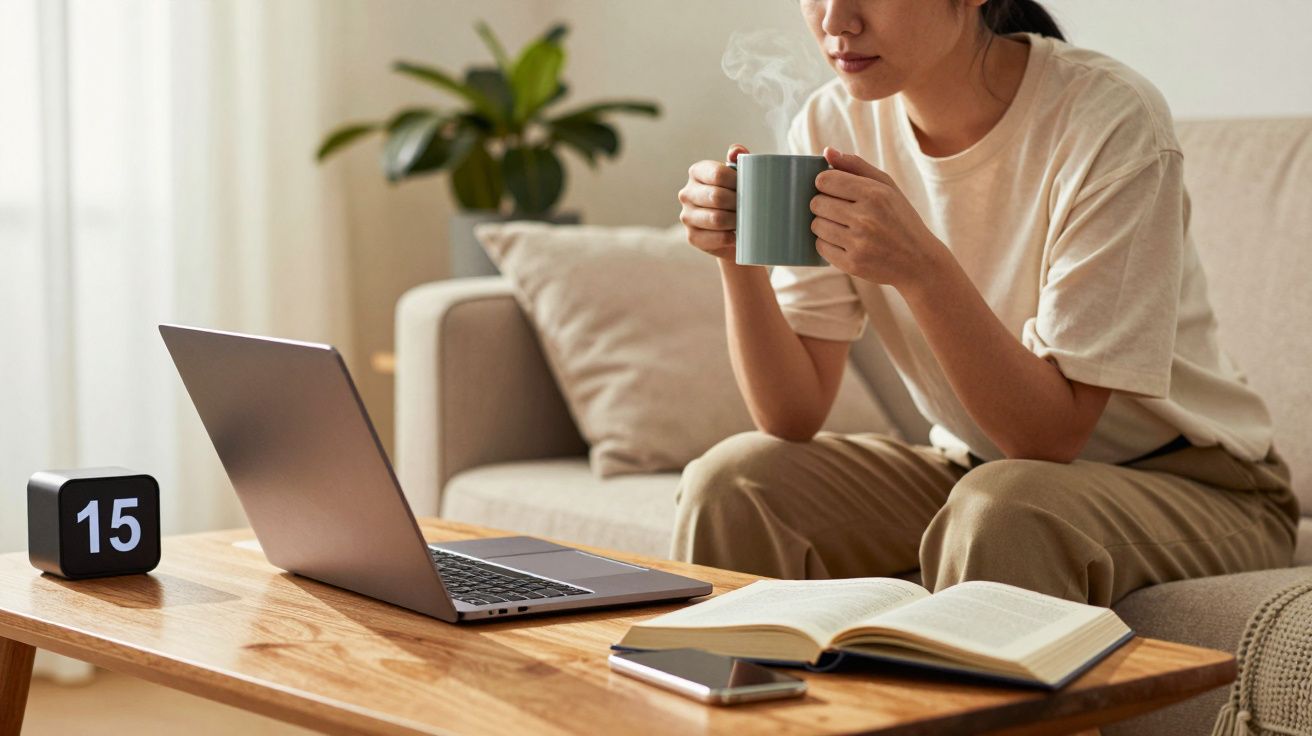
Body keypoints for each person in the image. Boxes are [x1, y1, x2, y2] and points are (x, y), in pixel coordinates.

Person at [673, 0, 1300, 606]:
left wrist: (923, 269)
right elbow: (792, 414)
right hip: (978, 470)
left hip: (1194, 483)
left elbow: (1050, 436)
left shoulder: (1107, 117)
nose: (837, 21)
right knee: (734, 484)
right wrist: (736, 256)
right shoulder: (829, 123)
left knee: (1004, 509)